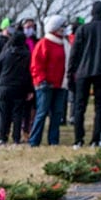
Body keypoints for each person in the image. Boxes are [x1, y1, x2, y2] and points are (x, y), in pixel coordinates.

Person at [70, 1, 101, 146]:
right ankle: (95, 139)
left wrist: (70, 72)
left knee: (80, 106)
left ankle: (78, 139)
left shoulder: (83, 29)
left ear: (92, 12)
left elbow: (74, 53)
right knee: (100, 107)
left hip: (83, 71)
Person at [0, 21, 34, 144]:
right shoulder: (27, 55)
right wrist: (30, 89)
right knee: (17, 114)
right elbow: (29, 74)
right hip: (19, 88)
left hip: (3, 86)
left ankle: (2, 137)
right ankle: (16, 137)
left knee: (3, 113)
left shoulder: (5, 54)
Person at [29, 16, 68, 146]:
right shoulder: (44, 43)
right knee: (42, 113)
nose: (64, 29)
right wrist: (41, 80)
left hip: (60, 84)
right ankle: (34, 140)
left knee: (57, 114)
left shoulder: (65, 44)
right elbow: (36, 64)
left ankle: (53, 140)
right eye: (62, 27)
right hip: (45, 85)